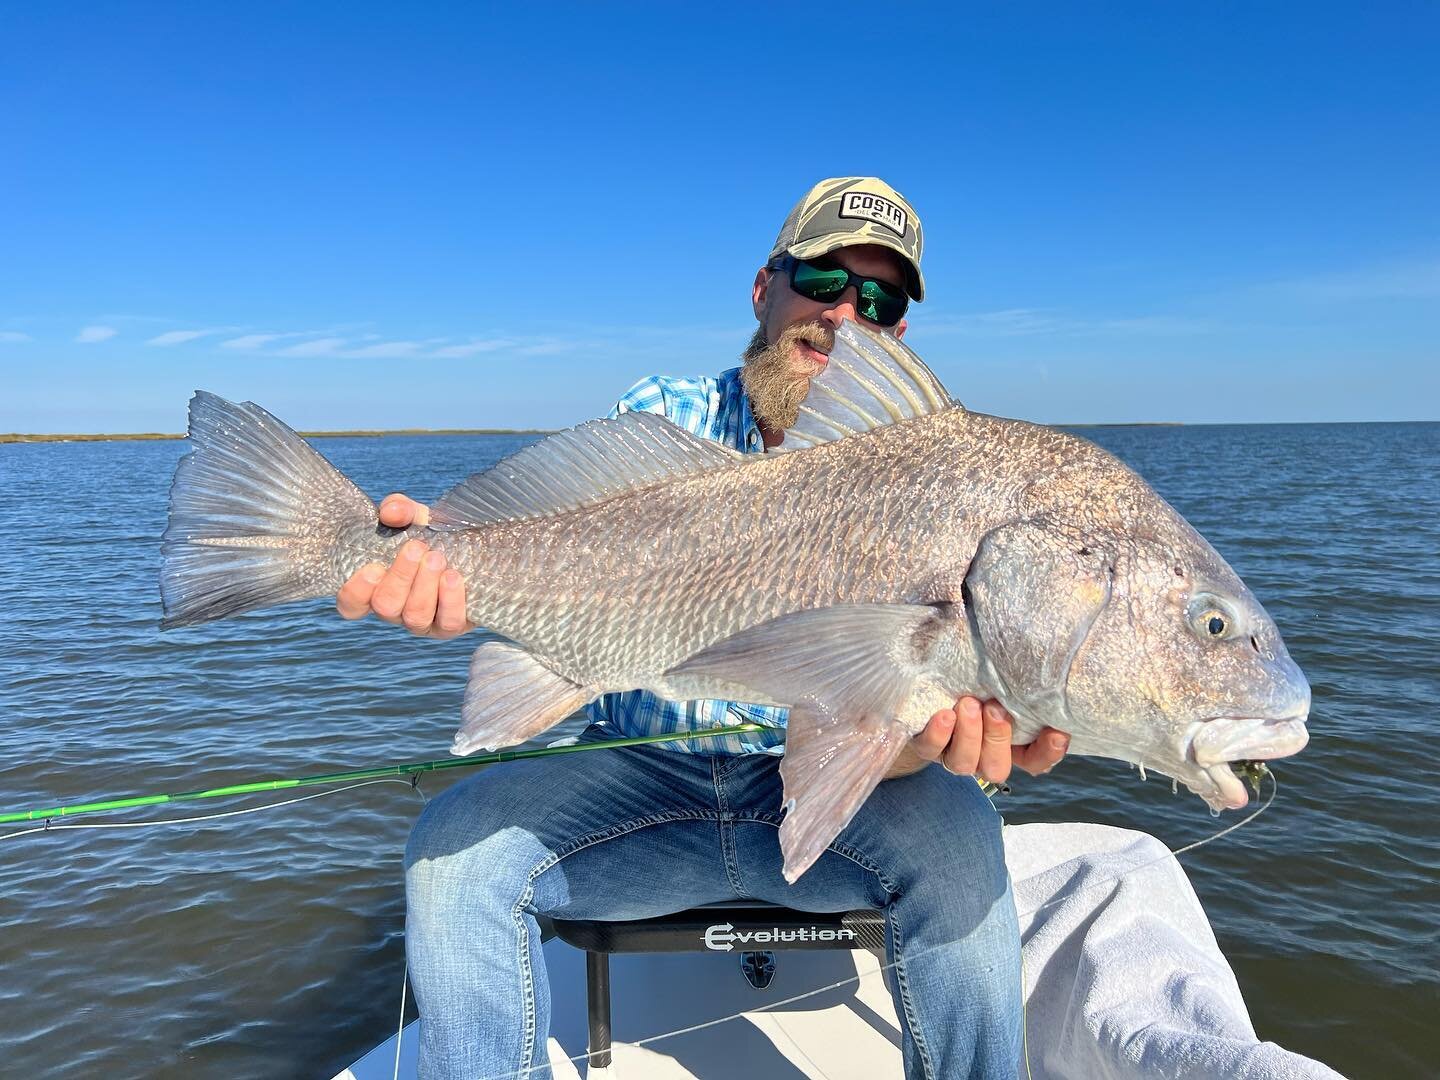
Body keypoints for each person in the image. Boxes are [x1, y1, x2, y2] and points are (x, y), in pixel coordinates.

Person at [337, 177, 1070, 1079]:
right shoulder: (665, 414)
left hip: (827, 796)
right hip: (635, 779)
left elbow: (895, 726)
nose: (843, 313)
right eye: (821, 278)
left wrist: (931, 741)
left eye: (877, 298)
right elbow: (548, 537)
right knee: (449, 859)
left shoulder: (944, 481)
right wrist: (441, 563)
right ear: (766, 287)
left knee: (965, 846)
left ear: (899, 333)